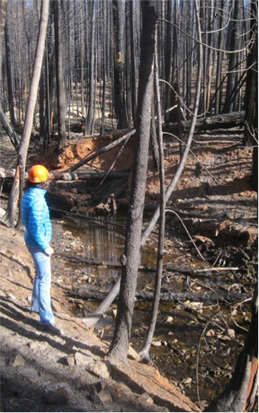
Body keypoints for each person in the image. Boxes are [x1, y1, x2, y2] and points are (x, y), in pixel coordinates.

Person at [21, 164, 62, 336]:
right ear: (43, 181)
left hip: (32, 241)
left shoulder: (28, 195)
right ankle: (46, 320)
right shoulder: (37, 200)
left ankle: (36, 307)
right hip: (38, 244)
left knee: (39, 276)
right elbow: (36, 226)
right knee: (44, 280)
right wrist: (45, 246)